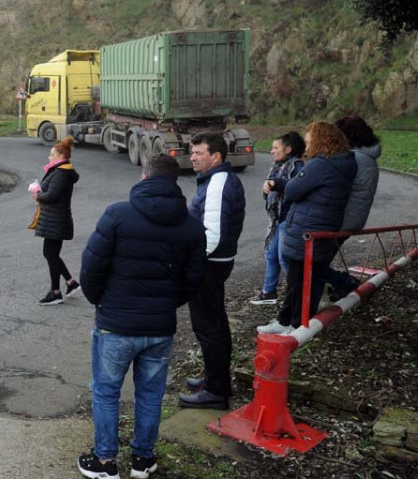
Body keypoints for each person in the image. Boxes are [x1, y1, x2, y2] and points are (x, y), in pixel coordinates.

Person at [77, 155, 206, 479]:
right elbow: (194, 279)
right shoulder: (191, 226)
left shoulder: (118, 215)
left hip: (116, 324)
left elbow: (91, 268)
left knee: (107, 392)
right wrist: (165, 304)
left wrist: (102, 303)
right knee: (150, 395)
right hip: (159, 326)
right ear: (176, 183)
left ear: (144, 176)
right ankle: (142, 460)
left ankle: (105, 463)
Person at [258, 121, 356, 335]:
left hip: (307, 229)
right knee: (300, 279)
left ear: (321, 140)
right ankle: (286, 321)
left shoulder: (321, 164)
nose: (308, 146)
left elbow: (293, 191)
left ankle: (296, 326)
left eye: (310, 141)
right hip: (323, 226)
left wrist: (277, 183)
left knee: (300, 281)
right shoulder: (344, 163)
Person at [179, 132, 245, 410]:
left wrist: (193, 263)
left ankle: (216, 391)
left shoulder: (218, 182)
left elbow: (213, 235)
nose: (192, 157)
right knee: (215, 323)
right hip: (215, 264)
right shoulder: (217, 179)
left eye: (198, 153)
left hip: (209, 266)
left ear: (215, 156)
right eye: (191, 152)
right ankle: (214, 379)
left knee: (209, 328)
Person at [322, 115, 382, 301]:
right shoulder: (366, 158)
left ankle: (344, 282)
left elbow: (333, 185)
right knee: (320, 259)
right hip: (352, 218)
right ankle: (338, 284)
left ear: (349, 136)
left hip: (343, 220)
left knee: (316, 260)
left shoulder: (355, 159)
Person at [250, 132, 306, 305]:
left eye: (275, 148)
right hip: (277, 220)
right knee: (271, 254)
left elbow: (297, 190)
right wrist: (266, 189)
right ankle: (269, 292)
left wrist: (275, 185)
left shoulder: (297, 167)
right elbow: (270, 192)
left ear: (288, 149)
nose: (271, 151)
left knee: (285, 258)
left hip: (288, 220)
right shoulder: (277, 166)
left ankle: (299, 294)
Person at [29, 136, 81, 305]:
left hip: (56, 220)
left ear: (60, 157)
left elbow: (52, 195)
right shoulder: (61, 171)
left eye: (52, 155)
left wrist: (38, 195)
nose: (49, 157)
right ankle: (70, 282)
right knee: (51, 253)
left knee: (50, 254)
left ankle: (56, 292)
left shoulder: (61, 173)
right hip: (56, 219)